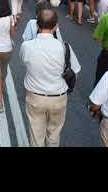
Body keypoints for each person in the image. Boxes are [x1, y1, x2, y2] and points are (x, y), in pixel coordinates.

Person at [20, 8, 82, 147]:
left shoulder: (27, 46)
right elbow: (75, 72)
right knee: (54, 135)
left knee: (36, 137)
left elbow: (24, 63)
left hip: (35, 96)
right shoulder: (65, 48)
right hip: (58, 97)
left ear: (37, 25)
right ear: (56, 26)